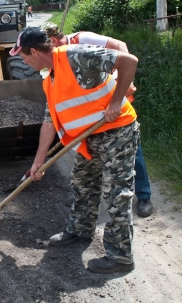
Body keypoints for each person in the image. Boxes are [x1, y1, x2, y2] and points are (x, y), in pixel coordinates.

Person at [9, 26, 140, 274]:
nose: (23, 60)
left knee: (116, 194)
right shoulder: (49, 79)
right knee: (83, 185)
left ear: (35, 51)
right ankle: (80, 231)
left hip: (117, 133)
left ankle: (120, 256)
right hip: (88, 139)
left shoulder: (75, 55)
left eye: (23, 56)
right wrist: (38, 162)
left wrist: (115, 101)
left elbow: (128, 61)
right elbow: (50, 122)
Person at [40, 22, 153, 218]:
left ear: (54, 40)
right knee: (92, 156)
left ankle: (144, 196)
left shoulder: (82, 39)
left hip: (112, 99)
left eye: (49, 46)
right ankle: (89, 196)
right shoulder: (55, 62)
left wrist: (122, 86)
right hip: (92, 110)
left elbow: (121, 47)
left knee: (130, 147)